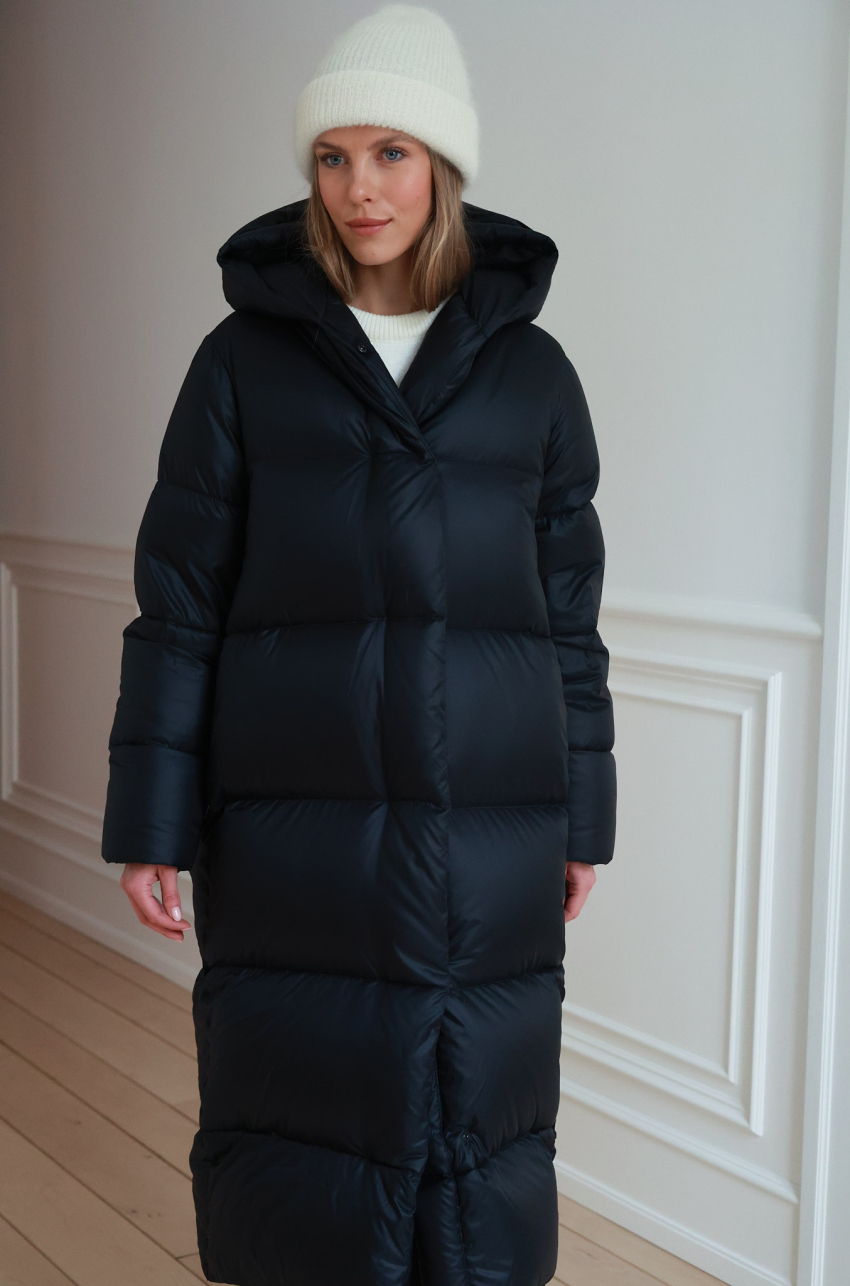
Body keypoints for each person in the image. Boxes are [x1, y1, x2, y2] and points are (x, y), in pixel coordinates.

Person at [100, 5, 616, 1284]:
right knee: (303, 1104)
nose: (358, 188)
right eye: (331, 157)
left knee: (477, 1116)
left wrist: (582, 815)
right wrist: (150, 820)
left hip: (487, 819)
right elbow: (179, 603)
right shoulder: (239, 365)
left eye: (390, 152)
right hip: (295, 823)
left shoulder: (535, 376)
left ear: (442, 165)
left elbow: (568, 615)